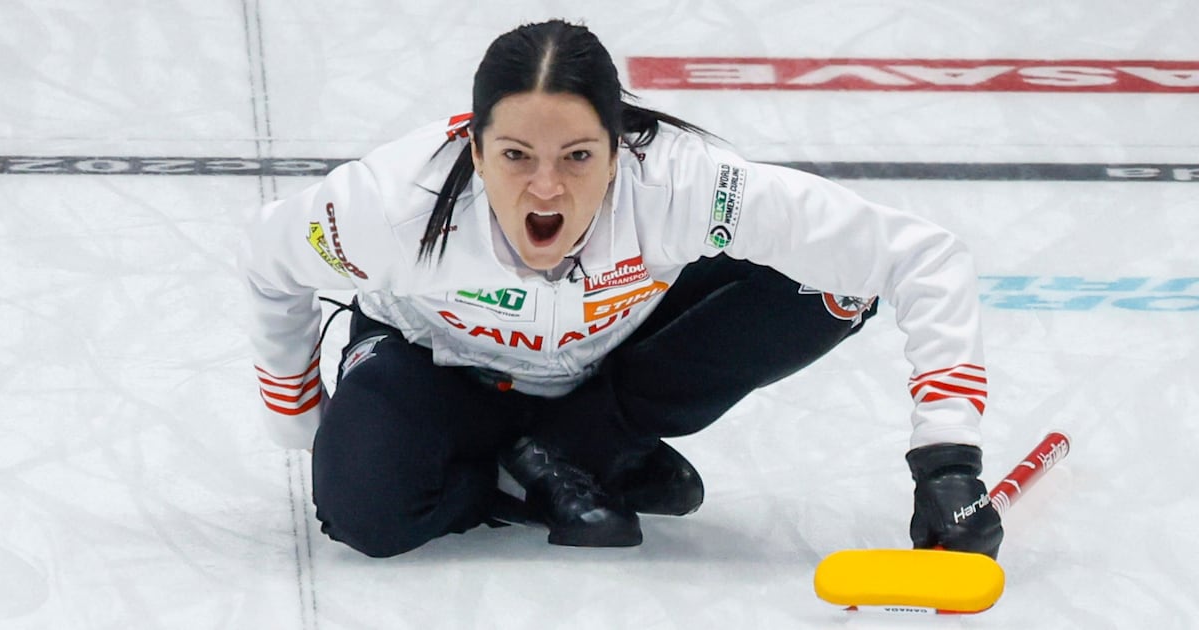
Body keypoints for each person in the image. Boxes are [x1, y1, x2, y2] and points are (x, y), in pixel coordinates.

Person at [239, 19, 1002, 559]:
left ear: (619, 147)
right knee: (364, 516)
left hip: (608, 362)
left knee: (835, 286)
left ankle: (576, 445)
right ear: (471, 147)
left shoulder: (684, 181)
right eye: (513, 155)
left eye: (576, 155)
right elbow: (270, 260)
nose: (545, 188)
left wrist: (947, 462)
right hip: (435, 365)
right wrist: (303, 425)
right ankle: (538, 468)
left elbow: (919, 256)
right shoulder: (388, 205)